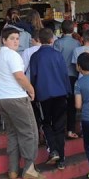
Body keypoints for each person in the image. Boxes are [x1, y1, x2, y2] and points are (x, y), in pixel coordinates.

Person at [0, 26, 45, 179]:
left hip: (0, 99)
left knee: (13, 133)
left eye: (17, 39)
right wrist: (31, 89)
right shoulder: (13, 55)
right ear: (4, 40)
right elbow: (19, 76)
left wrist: (3, 87)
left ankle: (13, 170)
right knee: (30, 132)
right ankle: (29, 168)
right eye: (12, 39)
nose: (15, 42)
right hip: (16, 98)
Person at [29, 28, 72, 170]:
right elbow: (64, 74)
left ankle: (53, 150)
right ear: (52, 39)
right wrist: (68, 91)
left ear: (39, 40)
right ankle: (61, 159)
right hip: (60, 93)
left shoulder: (35, 56)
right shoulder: (58, 55)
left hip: (43, 94)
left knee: (46, 122)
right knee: (59, 126)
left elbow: (33, 76)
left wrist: (33, 94)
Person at [53, 20, 82, 139]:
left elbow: (55, 60)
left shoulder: (57, 43)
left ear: (62, 30)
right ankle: (71, 130)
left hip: (60, 77)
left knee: (59, 104)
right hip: (74, 76)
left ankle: (59, 130)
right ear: (73, 30)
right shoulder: (77, 43)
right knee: (71, 104)